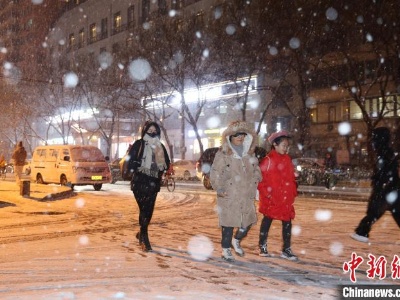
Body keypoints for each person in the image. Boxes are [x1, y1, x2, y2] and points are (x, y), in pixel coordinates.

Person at [210, 121, 262, 262]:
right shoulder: (223, 154)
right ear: (230, 136)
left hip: (246, 194)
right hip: (230, 194)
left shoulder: (249, 153)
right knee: (228, 224)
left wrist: (256, 180)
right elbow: (215, 173)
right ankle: (225, 249)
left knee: (247, 223)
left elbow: (256, 169)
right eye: (237, 134)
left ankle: (236, 239)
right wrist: (219, 188)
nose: (240, 137)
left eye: (243, 134)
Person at [126, 121, 170, 252]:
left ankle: (142, 233)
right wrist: (136, 167)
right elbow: (130, 160)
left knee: (148, 211)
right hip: (139, 182)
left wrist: (161, 165)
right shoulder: (138, 144)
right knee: (144, 209)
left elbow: (166, 164)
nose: (152, 132)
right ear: (145, 131)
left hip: (153, 183)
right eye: (149, 130)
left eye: (154, 130)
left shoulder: (160, 146)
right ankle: (144, 237)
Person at [351, 127, 400, 243]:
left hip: (385, 189)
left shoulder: (383, 153)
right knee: (394, 212)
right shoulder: (387, 152)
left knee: (374, 212)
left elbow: (384, 172)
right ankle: (362, 232)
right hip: (392, 188)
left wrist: (379, 184)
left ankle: (362, 232)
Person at [258, 130, 298, 261]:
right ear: (275, 144)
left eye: (287, 146)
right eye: (284, 145)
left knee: (287, 223)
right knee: (267, 221)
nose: (286, 148)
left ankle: (286, 249)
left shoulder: (287, 159)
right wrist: (268, 195)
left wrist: (292, 192)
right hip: (271, 199)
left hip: (285, 199)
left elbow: (291, 178)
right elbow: (260, 180)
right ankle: (262, 246)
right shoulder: (268, 160)